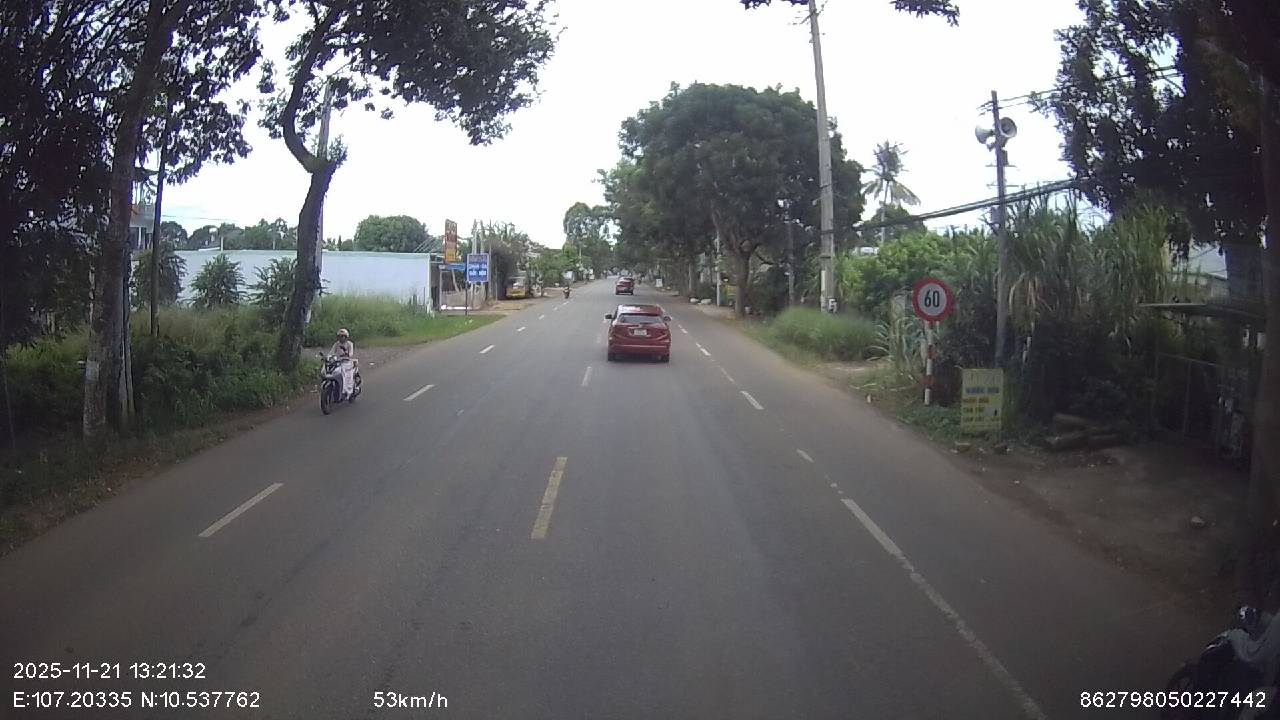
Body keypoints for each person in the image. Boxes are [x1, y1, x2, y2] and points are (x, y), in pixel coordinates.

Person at [330, 328, 357, 399]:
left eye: (343, 336)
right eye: (340, 336)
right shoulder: (336, 344)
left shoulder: (349, 344)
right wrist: (329, 357)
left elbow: (351, 354)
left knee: (345, 375)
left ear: (346, 337)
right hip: (338, 362)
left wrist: (346, 355)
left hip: (347, 362)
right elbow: (331, 352)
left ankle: (347, 391)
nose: (342, 338)